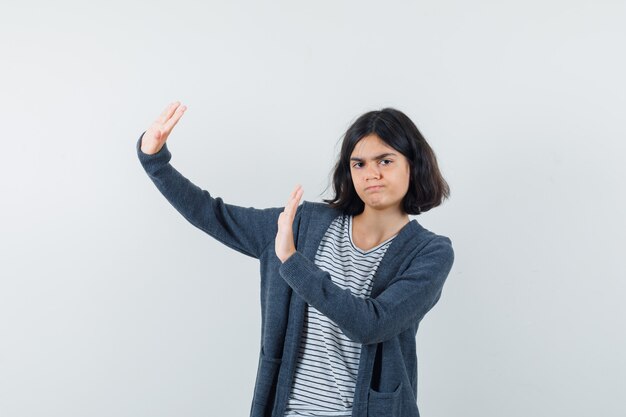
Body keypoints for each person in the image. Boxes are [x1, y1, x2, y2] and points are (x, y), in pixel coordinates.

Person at [136, 101, 455, 417]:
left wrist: (292, 262)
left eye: (385, 161)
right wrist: (156, 162)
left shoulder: (430, 253)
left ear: (413, 165)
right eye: (359, 164)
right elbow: (214, 214)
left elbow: (371, 324)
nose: (371, 174)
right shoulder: (303, 224)